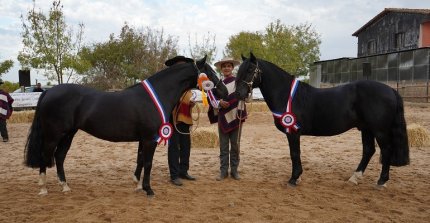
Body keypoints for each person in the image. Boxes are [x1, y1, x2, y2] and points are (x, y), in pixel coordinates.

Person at [207, 57, 247, 181]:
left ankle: (234, 170)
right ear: (221, 69)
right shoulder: (217, 84)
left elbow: (245, 95)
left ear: (232, 68)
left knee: (235, 145)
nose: (226, 68)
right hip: (223, 117)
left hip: (236, 116)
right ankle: (223, 171)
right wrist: (219, 103)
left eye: (229, 66)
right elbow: (212, 99)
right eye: (224, 66)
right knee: (223, 146)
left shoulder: (238, 82)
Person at [165, 55, 197, 186]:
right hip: (173, 119)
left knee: (185, 146)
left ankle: (183, 171)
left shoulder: (188, 85)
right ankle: (174, 174)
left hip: (185, 118)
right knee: (174, 147)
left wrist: (191, 104)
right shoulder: (168, 84)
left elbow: (186, 100)